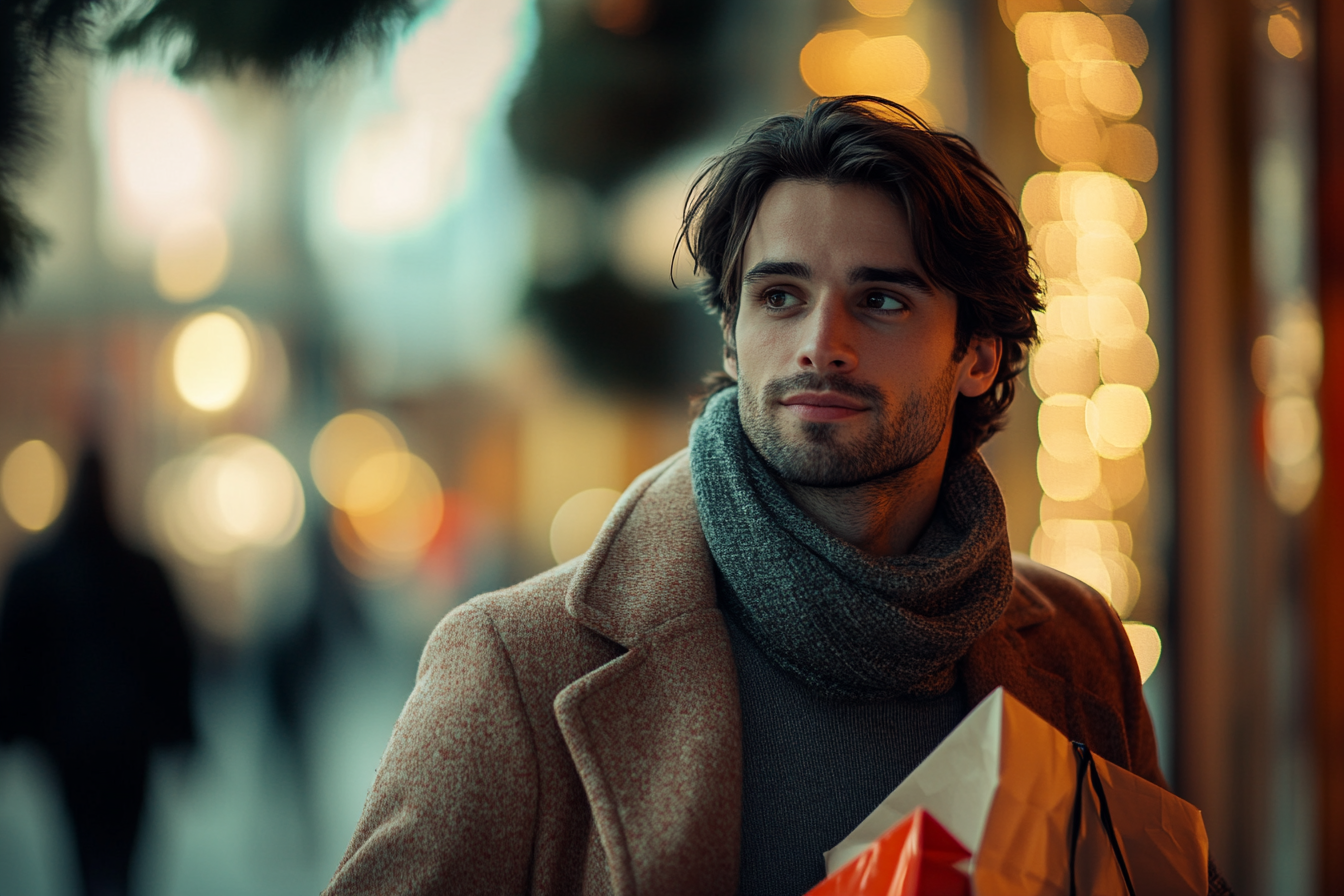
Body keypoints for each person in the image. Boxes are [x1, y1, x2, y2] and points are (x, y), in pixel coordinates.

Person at [323, 96, 1231, 896]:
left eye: (881, 302)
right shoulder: (518, 664)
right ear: (729, 337)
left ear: (978, 356)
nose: (820, 344)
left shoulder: (1076, 643)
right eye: (782, 296)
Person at [0, 447, 195, 896]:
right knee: (124, 850)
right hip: (130, 741)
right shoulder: (142, 573)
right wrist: (181, 732)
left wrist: (14, 727)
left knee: (81, 846)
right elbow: (172, 657)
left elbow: (16, 657)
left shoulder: (38, 572)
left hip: (69, 743)